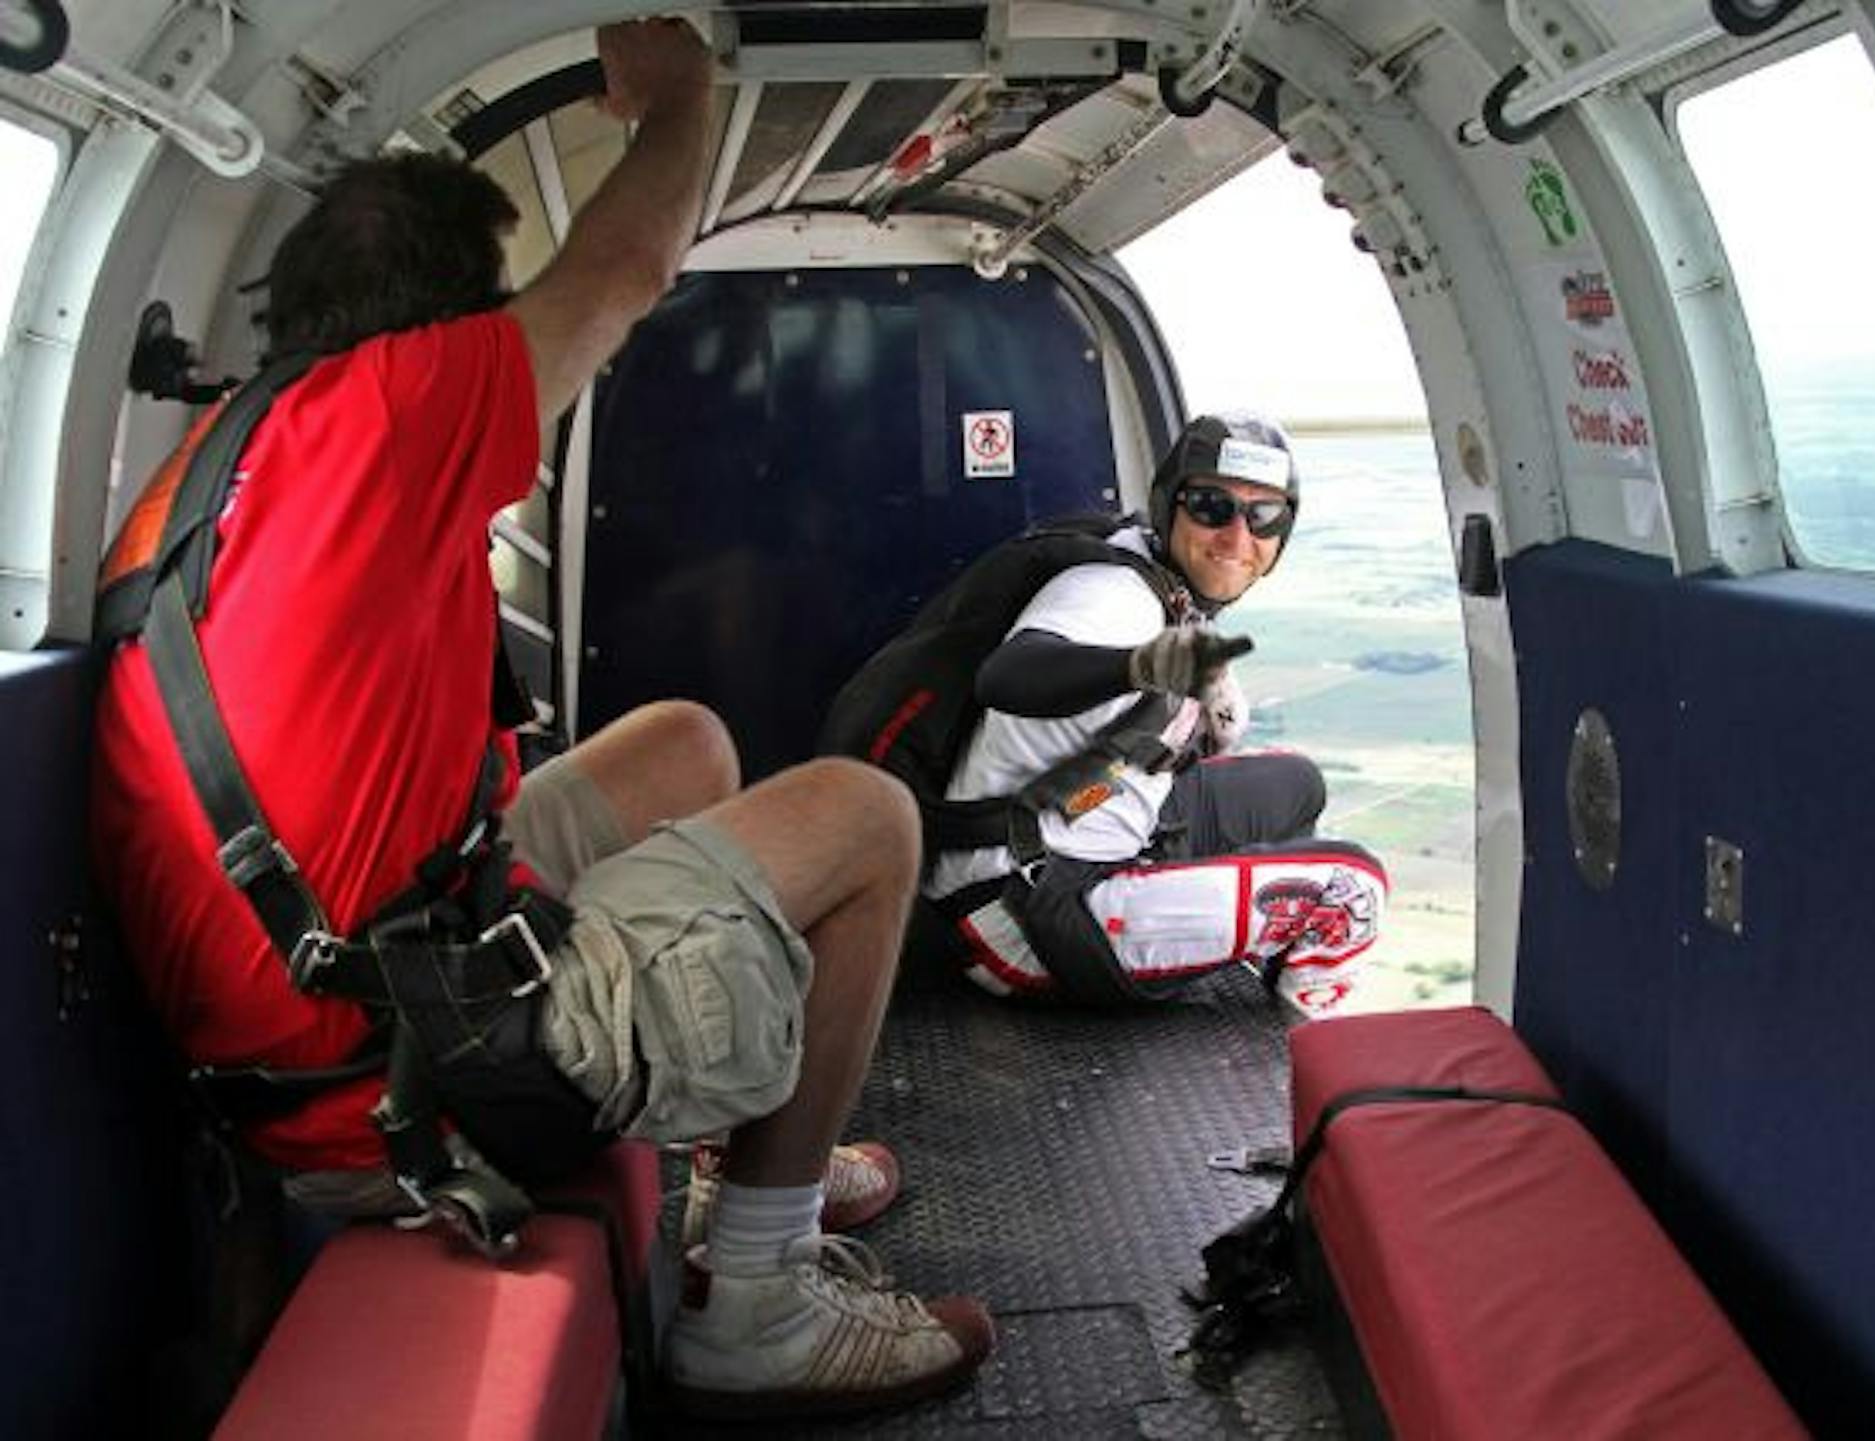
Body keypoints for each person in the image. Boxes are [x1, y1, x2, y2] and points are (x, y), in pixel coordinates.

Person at [89, 20, 990, 1421]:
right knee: (869, 820)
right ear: (447, 321)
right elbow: (624, 273)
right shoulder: (390, 409)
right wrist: (682, 99)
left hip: (311, 1025)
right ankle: (756, 1299)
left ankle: (720, 1166)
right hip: (398, 1083)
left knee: (682, 740)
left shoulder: (211, 474)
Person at [923, 413, 1388, 1012]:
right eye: (1211, 506)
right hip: (1026, 913)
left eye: (1265, 516)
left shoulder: (1163, 581)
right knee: (1351, 892)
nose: (1237, 538)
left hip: (1086, 831)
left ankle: (1235, 950)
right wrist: (1137, 665)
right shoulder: (1110, 593)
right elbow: (1009, 675)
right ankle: (1293, 1065)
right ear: (1170, 505)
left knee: (1296, 785)